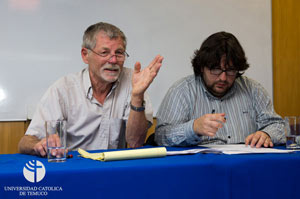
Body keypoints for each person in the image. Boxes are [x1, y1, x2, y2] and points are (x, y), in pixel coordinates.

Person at [18, 22, 163, 157]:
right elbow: (25, 142)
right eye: (104, 53)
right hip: (75, 169)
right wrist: (39, 144)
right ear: (85, 55)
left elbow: (135, 142)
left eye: (119, 53)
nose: (113, 60)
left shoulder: (134, 81)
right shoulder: (64, 89)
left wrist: (137, 96)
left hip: (115, 168)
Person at [155, 31, 285, 148]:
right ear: (201, 67)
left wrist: (266, 133)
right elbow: (161, 136)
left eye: (230, 70)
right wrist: (193, 128)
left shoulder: (253, 89)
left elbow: (278, 126)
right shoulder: (182, 91)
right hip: (201, 166)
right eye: (216, 69)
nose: (223, 78)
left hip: (246, 164)